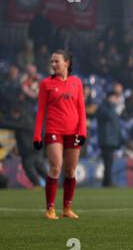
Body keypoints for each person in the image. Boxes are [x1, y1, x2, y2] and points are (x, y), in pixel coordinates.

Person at [33, 50, 87, 220]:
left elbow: (81, 110)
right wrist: (37, 136)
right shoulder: (45, 84)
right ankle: (50, 209)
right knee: (56, 167)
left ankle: (67, 208)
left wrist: (83, 132)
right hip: (54, 130)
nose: (53, 64)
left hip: (73, 131)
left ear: (66, 63)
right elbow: (41, 111)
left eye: (56, 61)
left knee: (71, 170)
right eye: (52, 61)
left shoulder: (77, 82)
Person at [0, 107, 47, 187]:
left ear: (17, 113)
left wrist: (2, 122)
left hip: (32, 149)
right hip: (29, 149)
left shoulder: (24, 120)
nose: (12, 117)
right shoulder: (25, 120)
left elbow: (11, 125)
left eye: (13, 115)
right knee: (39, 166)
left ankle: (37, 183)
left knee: (27, 165)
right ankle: (52, 182)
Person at [96, 91, 122, 187]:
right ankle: (107, 181)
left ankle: (107, 181)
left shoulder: (112, 108)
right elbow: (108, 115)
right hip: (106, 140)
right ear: (109, 97)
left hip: (111, 140)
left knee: (109, 162)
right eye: (114, 97)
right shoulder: (103, 107)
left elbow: (116, 126)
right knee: (107, 161)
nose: (115, 100)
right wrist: (115, 108)